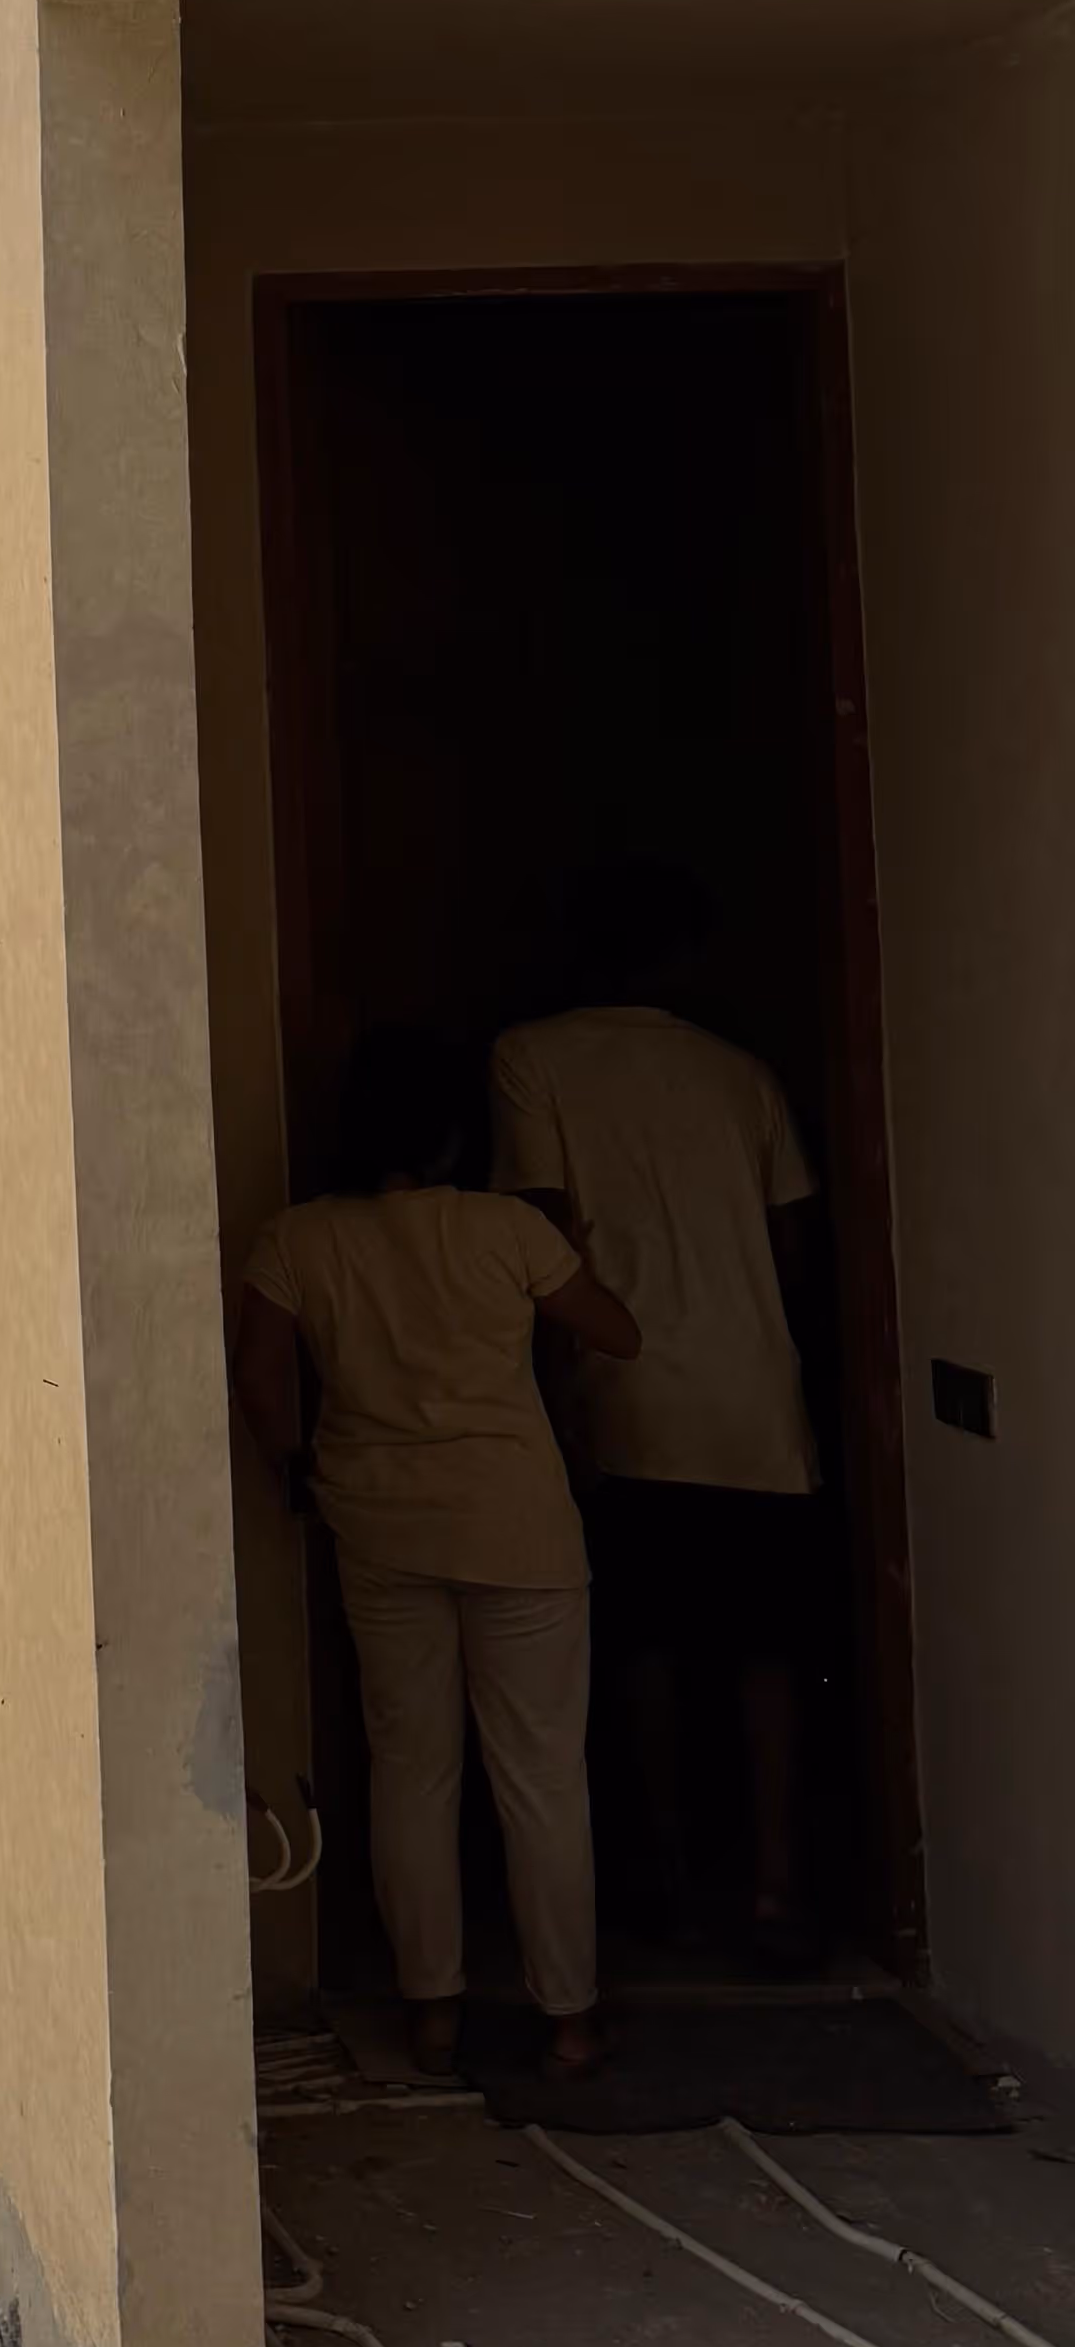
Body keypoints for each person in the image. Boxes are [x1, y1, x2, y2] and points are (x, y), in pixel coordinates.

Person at [233, 1022, 639, 2079]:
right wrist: (573, 1245)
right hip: (519, 1523)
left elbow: (265, 1381)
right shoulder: (506, 1229)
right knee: (543, 1774)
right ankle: (570, 2017)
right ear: (458, 1132)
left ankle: (434, 2011)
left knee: (411, 1768)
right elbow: (617, 1330)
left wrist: (294, 1469)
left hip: (378, 1522)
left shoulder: (297, 1239)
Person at [494, 862, 827, 1966]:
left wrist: (551, 1401)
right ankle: (777, 1890)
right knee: (765, 1653)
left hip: (626, 1395)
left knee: (643, 1653)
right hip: (757, 1403)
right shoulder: (746, 1076)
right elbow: (791, 1247)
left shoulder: (532, 1058)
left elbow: (543, 1242)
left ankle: (673, 1886)